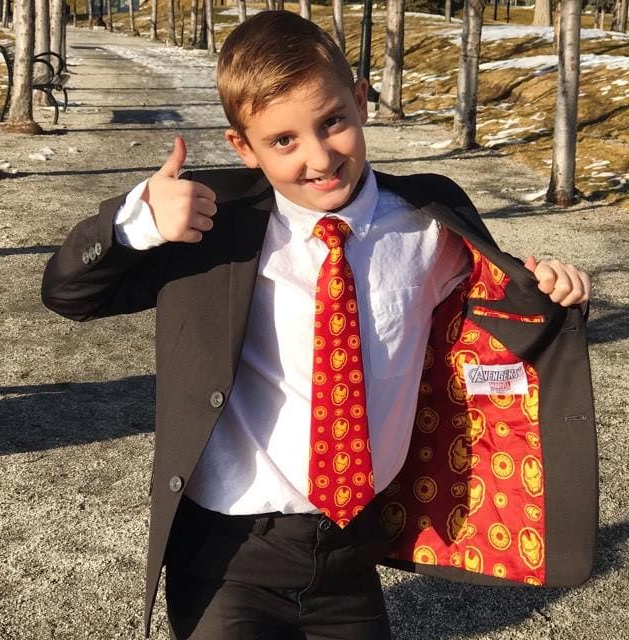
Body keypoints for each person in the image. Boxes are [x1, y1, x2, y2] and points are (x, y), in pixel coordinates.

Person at [41, 10, 597, 640]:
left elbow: (491, 318)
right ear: (243, 148)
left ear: (360, 102)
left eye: (332, 121)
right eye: (283, 141)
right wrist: (132, 222)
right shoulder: (210, 227)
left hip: (350, 552)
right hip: (228, 554)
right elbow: (69, 294)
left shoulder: (427, 222)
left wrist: (548, 291)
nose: (320, 156)